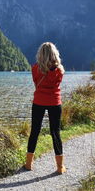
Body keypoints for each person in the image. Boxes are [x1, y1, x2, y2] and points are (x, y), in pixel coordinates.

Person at [24, 42, 66, 174]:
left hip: (39, 101)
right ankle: (59, 167)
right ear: (55, 53)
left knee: (35, 131)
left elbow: (36, 83)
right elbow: (56, 83)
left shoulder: (35, 68)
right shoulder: (59, 70)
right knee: (55, 133)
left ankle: (28, 164)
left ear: (40, 54)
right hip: (54, 102)